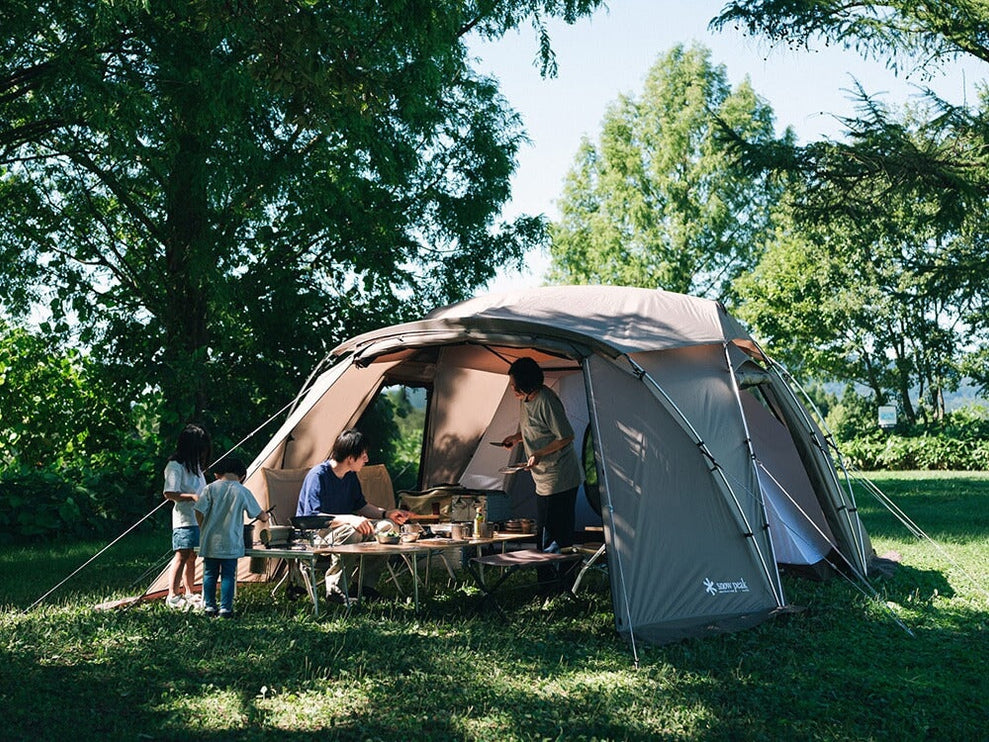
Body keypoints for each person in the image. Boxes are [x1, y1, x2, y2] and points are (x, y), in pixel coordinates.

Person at [296, 429, 412, 603]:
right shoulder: (318, 476)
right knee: (353, 531)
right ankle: (335, 591)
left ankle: (363, 587)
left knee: (387, 528)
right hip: (315, 534)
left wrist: (386, 514)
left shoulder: (350, 476)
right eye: (363, 455)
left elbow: (361, 505)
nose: (367, 459)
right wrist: (350, 519)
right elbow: (314, 516)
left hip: (343, 529)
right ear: (350, 458)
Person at [501, 357, 582, 591]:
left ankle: (559, 586)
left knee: (556, 533)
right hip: (543, 478)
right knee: (545, 531)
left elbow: (566, 436)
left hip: (560, 476)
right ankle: (547, 583)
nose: (512, 388)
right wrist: (516, 439)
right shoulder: (525, 399)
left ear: (526, 383)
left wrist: (538, 453)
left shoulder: (546, 400)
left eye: (514, 384)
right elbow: (531, 427)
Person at [194, 456, 269, 618]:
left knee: (209, 573)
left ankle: (209, 606)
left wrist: (202, 528)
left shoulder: (210, 489)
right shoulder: (241, 490)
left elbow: (198, 511)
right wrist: (266, 517)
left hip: (210, 540)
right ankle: (225, 609)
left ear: (217, 474)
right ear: (242, 476)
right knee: (228, 575)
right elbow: (258, 514)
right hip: (231, 540)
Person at [162, 423, 211, 610]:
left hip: (198, 518)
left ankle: (190, 591)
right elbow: (169, 493)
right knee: (181, 555)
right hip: (184, 519)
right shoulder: (175, 466)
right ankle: (172, 595)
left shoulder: (196, 467)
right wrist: (191, 497)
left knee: (192, 556)